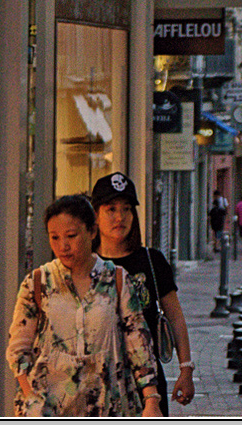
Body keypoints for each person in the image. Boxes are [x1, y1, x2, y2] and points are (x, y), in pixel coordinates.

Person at [6, 194, 163, 416]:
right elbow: (18, 348)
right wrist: (31, 396)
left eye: (71, 236)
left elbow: (138, 343)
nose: (63, 246)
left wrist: (151, 400)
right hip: (49, 409)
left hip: (108, 406)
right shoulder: (38, 282)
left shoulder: (116, 279)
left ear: (92, 231)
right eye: (55, 237)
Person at [91, 173, 195, 410]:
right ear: (95, 215)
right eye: (111, 209)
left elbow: (175, 317)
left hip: (148, 383)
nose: (120, 217)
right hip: (97, 381)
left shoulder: (152, 260)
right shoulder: (85, 263)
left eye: (127, 209)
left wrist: (186, 368)